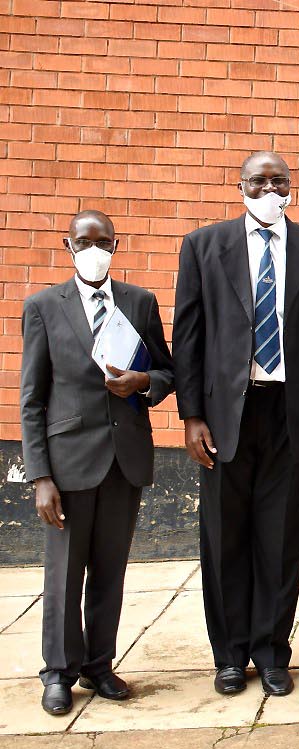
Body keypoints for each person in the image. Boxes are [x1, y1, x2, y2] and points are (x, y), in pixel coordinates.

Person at [174, 151, 299, 697]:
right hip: (227, 414)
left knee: (281, 536)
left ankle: (272, 651)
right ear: (240, 186)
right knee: (224, 536)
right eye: (260, 181)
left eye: (280, 181)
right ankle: (229, 655)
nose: (271, 189)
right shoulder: (205, 246)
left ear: (292, 188)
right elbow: (190, 335)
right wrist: (191, 414)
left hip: (290, 413)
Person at [20, 211, 175, 715]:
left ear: (116, 244)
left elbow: (166, 371)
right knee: (64, 573)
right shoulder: (43, 306)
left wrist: (142, 383)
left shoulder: (139, 301)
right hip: (67, 463)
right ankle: (58, 672)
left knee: (109, 571)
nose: (95, 249)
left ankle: (99, 664)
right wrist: (40, 476)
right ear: (69, 246)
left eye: (104, 242)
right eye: (85, 242)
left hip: (123, 459)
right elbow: (32, 400)